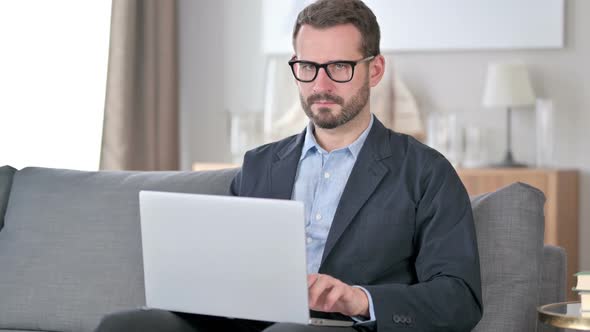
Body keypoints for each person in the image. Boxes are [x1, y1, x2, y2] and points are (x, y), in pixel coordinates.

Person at [95, 0, 482, 331]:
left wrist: (360, 300)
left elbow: (459, 297)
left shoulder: (425, 171)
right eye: (309, 67)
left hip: (343, 328)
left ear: (374, 70)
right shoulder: (260, 164)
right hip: (246, 322)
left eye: (340, 68)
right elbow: (227, 264)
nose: (321, 85)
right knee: (123, 326)